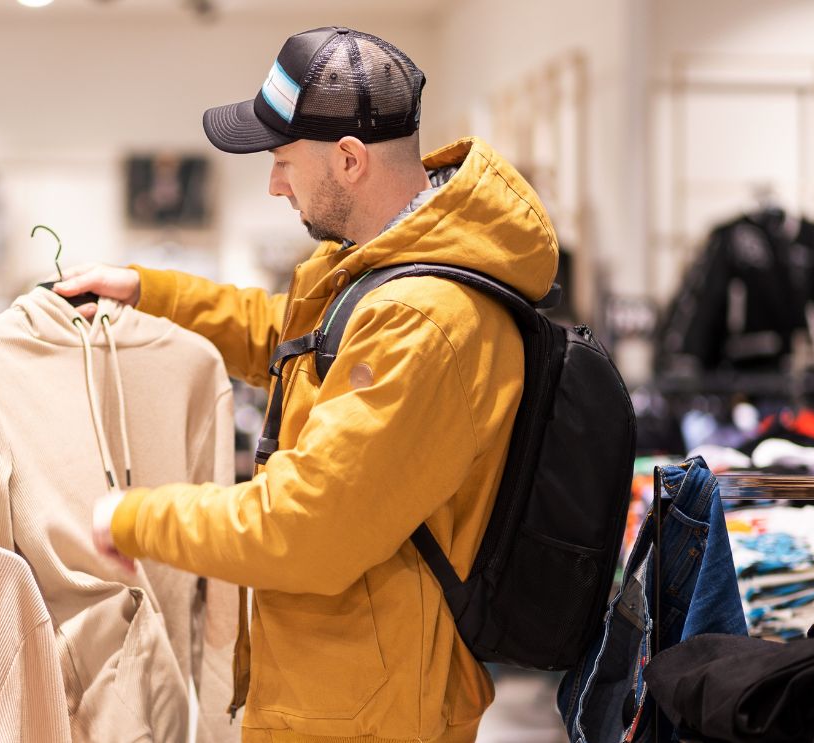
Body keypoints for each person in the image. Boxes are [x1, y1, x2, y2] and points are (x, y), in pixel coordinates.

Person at [59, 27, 559, 743]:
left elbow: (303, 528)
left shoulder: (422, 317)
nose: (273, 183)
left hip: (370, 713)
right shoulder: (391, 272)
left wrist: (129, 518)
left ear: (349, 160)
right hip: (345, 686)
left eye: (283, 160)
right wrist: (148, 290)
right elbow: (297, 340)